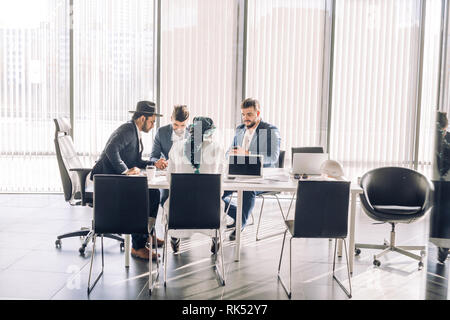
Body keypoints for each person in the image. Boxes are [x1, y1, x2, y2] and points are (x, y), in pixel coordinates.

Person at [90, 101, 164, 261]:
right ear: (143, 118)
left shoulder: (135, 132)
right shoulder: (127, 130)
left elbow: (135, 161)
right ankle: (138, 247)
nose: (152, 126)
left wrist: (153, 164)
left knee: (153, 193)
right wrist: (125, 171)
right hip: (107, 181)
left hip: (114, 179)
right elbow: (111, 149)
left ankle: (146, 235)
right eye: (152, 121)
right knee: (146, 195)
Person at [164, 116, 227, 253]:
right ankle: (215, 237)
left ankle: (175, 236)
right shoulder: (218, 148)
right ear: (211, 131)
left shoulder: (177, 146)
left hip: (180, 214)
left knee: (173, 203)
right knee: (218, 201)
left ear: (191, 129)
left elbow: (169, 180)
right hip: (209, 212)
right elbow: (222, 179)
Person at [223, 98, 281, 240]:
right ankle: (239, 214)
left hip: (262, 176)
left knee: (247, 189)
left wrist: (248, 154)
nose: (245, 118)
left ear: (258, 113)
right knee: (216, 190)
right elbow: (228, 152)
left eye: (249, 114)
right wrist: (229, 154)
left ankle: (240, 224)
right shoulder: (240, 130)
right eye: (243, 114)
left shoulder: (269, 130)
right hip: (239, 173)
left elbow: (273, 158)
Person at [150, 105, 190, 252]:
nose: (179, 129)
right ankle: (173, 230)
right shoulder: (162, 132)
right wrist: (159, 161)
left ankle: (181, 228)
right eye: (175, 125)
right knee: (165, 197)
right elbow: (153, 156)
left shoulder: (195, 132)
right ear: (171, 119)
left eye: (182, 126)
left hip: (188, 176)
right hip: (168, 175)